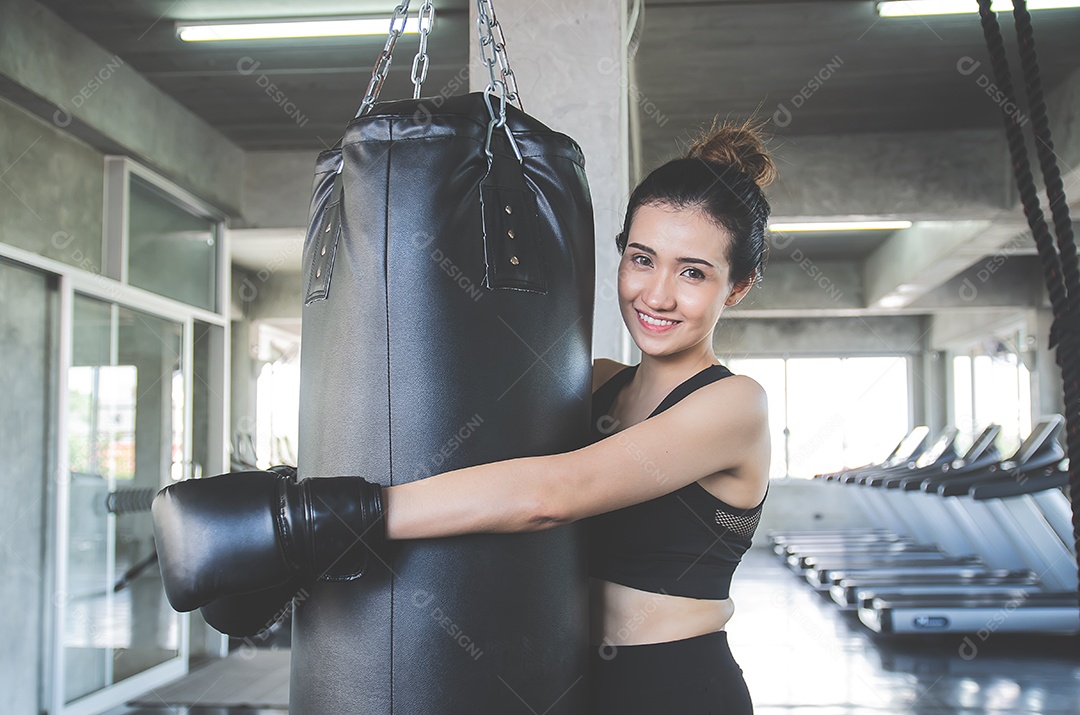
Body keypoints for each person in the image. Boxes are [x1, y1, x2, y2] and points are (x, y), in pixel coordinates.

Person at [153, 118, 774, 715]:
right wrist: (307, 480)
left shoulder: (733, 406)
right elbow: (465, 446)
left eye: (693, 272)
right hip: (564, 681)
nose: (657, 293)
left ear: (737, 288)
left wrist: (316, 522)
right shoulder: (600, 384)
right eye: (642, 259)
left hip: (673, 688)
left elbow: (555, 494)